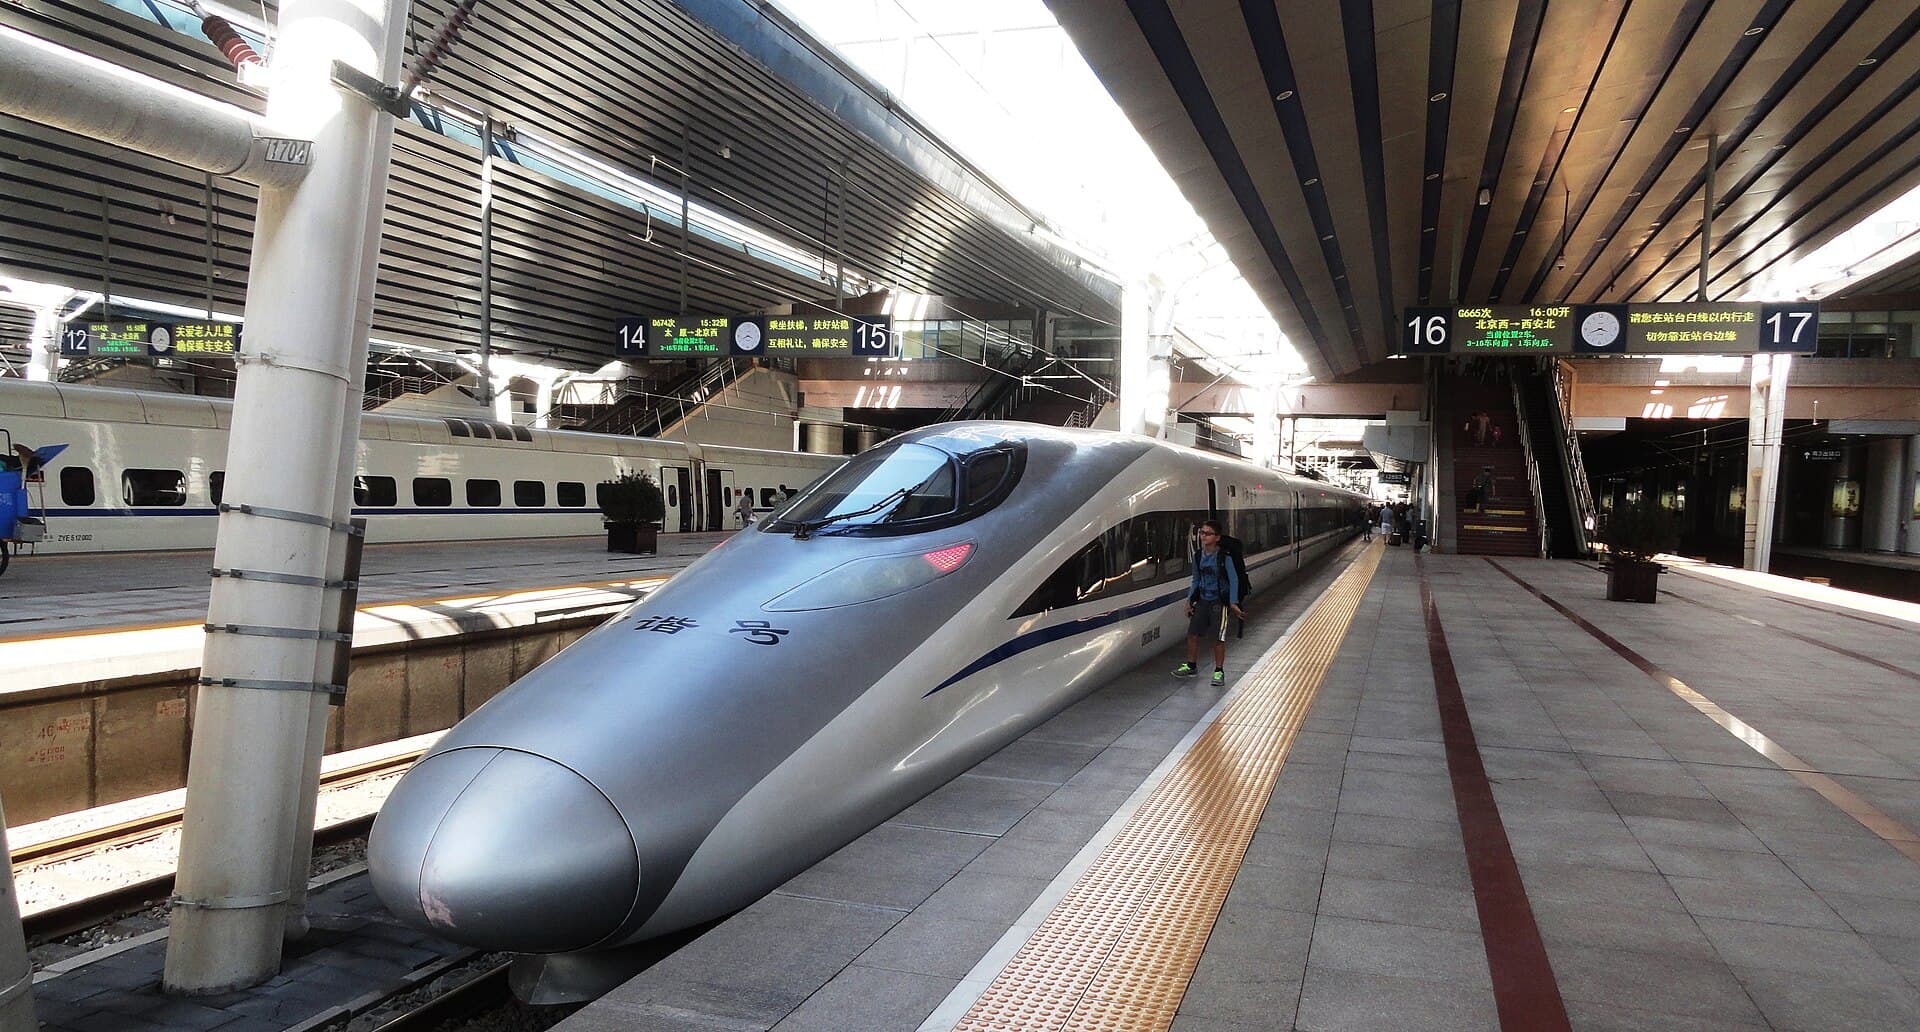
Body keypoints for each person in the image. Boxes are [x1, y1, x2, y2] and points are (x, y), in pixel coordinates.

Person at [1174, 519, 1243, 688]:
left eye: (1208, 533)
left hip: (1219, 601)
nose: (1203, 536)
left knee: (1218, 638)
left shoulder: (1224, 557)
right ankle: (1191, 666)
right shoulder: (1198, 556)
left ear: (1217, 537)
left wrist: (1233, 602)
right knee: (1192, 634)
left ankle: (1219, 671)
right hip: (1203, 600)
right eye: (1202, 533)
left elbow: (1234, 580)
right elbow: (1196, 579)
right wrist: (1190, 600)